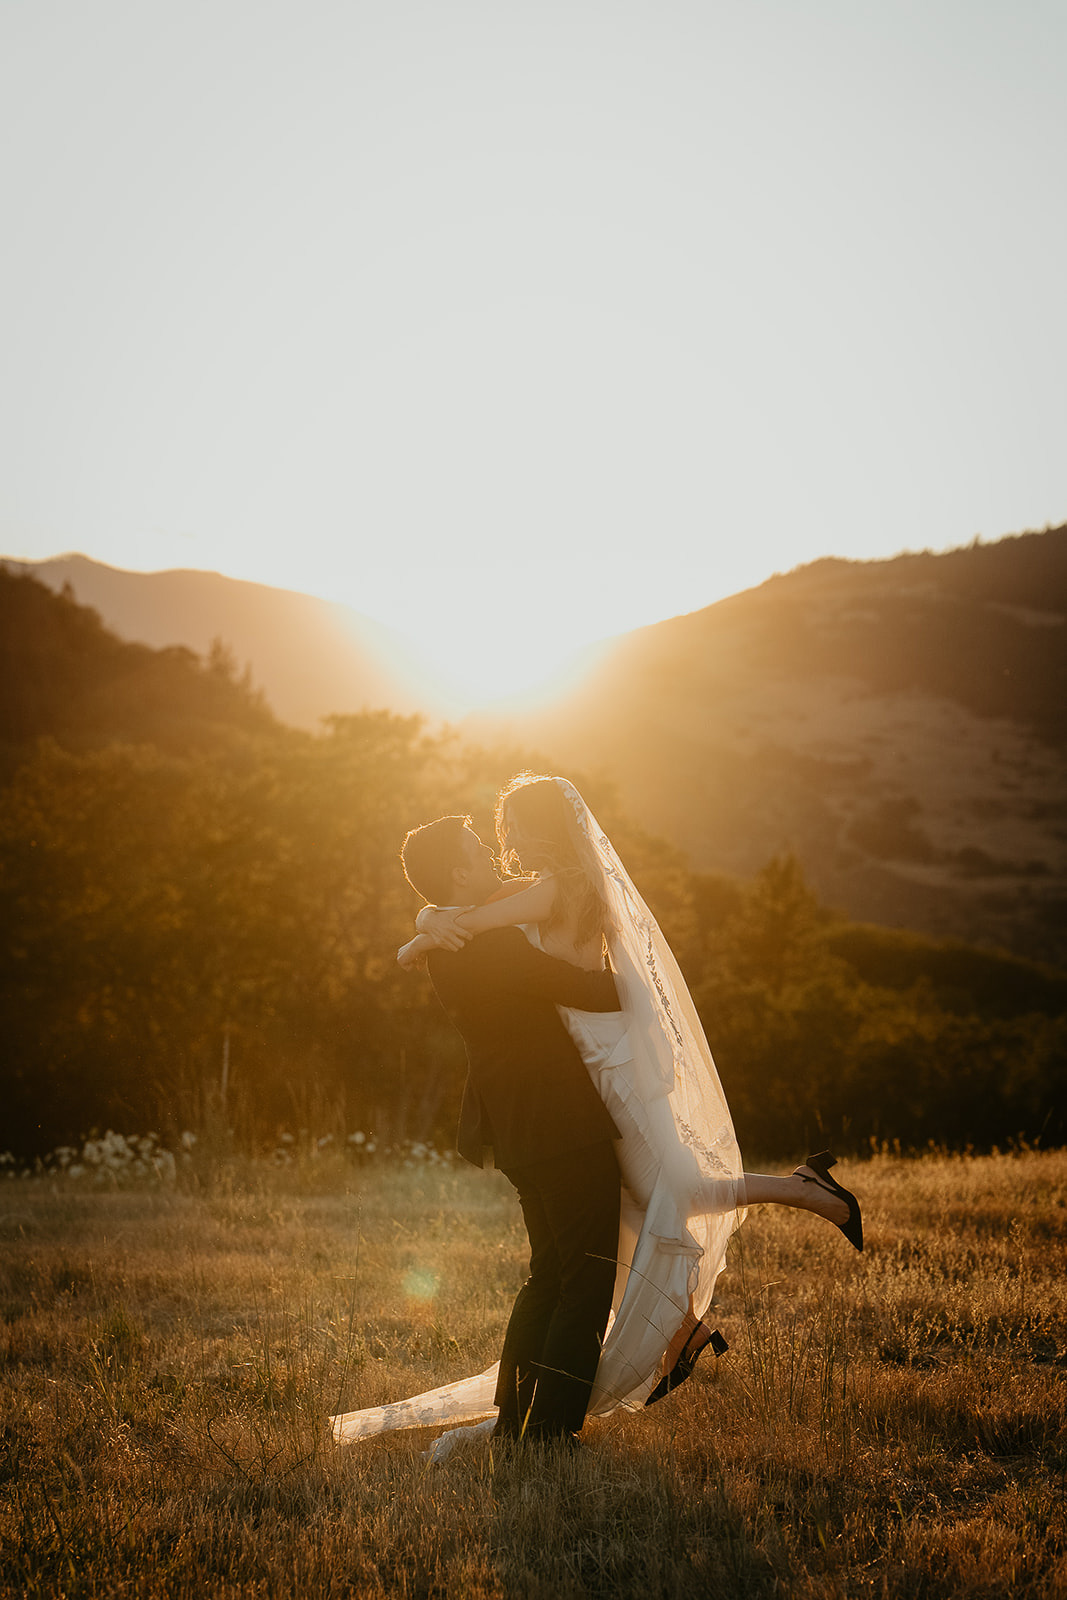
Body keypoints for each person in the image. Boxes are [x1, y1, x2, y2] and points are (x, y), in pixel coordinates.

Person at [330, 776, 861, 1453]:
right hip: (561, 1116)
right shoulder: (490, 942)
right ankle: (550, 1428)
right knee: (584, 1273)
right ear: (457, 870)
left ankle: (547, 1406)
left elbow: (483, 922)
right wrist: (646, 992)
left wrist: (428, 924)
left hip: (524, 1121)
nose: (497, 848)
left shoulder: (470, 937)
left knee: (556, 1269)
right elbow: (581, 986)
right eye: (481, 844)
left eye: (506, 830)